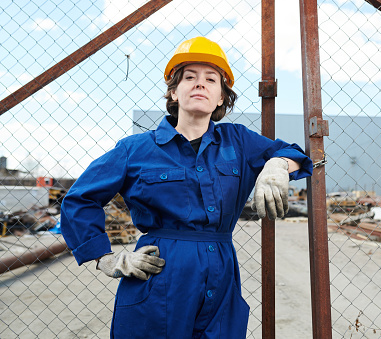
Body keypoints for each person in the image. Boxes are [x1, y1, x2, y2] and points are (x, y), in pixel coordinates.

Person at [61, 36, 313, 338]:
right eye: (189, 77)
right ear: (173, 92)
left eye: (211, 79)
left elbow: (296, 155)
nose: (200, 84)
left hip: (221, 277)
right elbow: (79, 199)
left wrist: (277, 165)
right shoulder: (135, 149)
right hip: (160, 275)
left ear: (221, 97)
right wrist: (104, 258)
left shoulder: (239, 142)